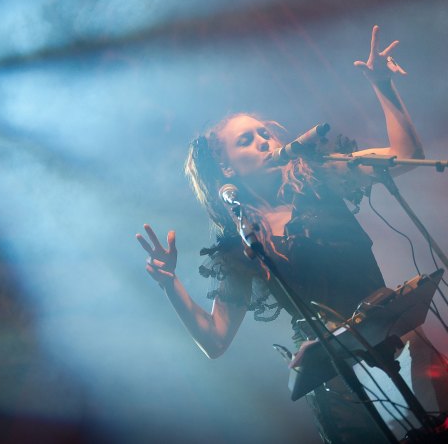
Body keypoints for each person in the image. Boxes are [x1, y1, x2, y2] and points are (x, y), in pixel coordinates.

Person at [136, 25, 447, 442]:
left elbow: (407, 158)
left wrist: (382, 85)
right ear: (227, 169)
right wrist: (170, 283)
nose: (264, 141)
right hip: (337, 379)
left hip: (398, 342)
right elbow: (215, 341)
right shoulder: (239, 242)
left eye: (264, 133)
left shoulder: (321, 178)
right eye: (247, 141)